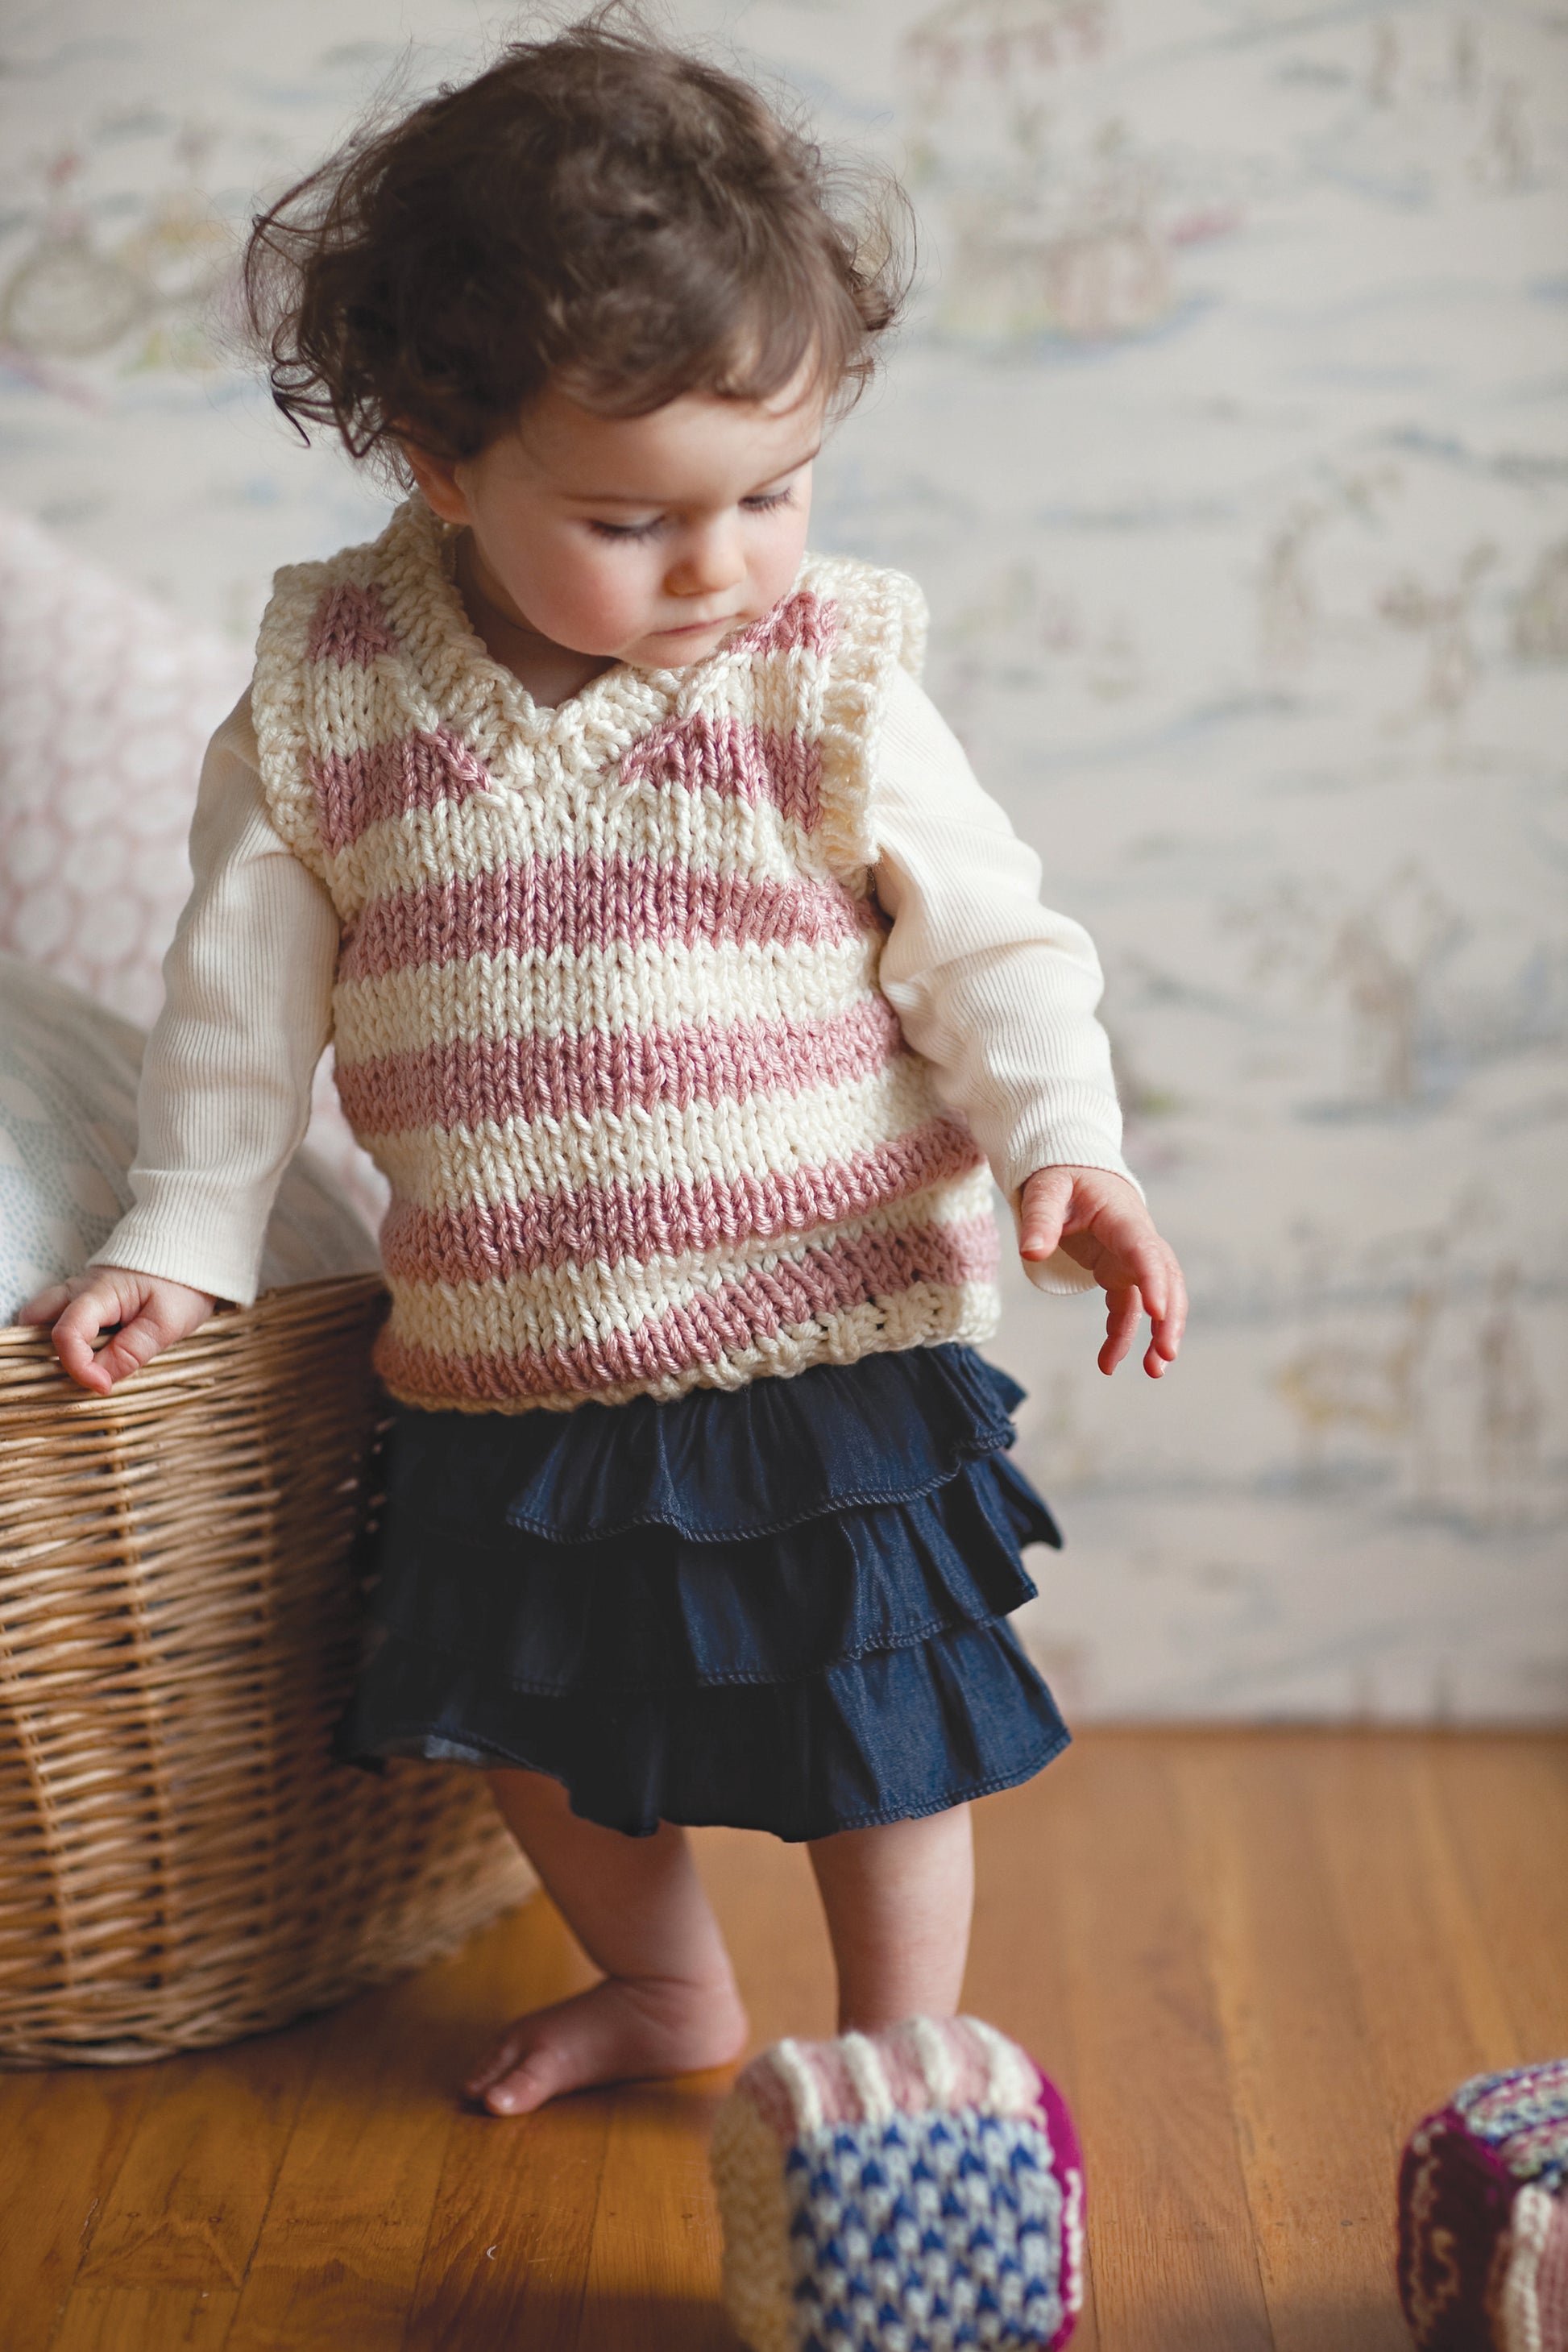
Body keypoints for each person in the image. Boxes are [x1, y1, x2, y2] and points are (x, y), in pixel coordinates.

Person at [23, 15, 1186, 2121]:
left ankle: (896, 2043)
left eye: (774, 491)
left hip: (817, 1323)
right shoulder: (329, 695)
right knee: (517, 1728)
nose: (724, 560)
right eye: (637, 519)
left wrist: (1062, 1142)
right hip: (508, 1346)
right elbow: (234, 1003)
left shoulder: (823, 672)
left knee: (874, 1710)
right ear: (441, 459)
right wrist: (182, 1232)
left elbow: (989, 935)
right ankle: (665, 1995)